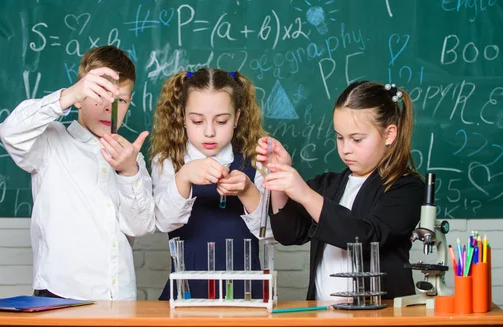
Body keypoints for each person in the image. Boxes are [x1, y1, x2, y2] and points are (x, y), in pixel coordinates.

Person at [0, 45, 155, 300]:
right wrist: (67, 96)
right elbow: (10, 132)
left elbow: (140, 227)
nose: (109, 109)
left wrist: (129, 173)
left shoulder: (131, 157)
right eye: (99, 95)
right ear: (81, 94)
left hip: (119, 299)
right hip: (60, 297)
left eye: (120, 101)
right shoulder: (50, 142)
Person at [256, 81, 424, 300]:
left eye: (356, 139)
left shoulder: (407, 188)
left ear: (389, 134)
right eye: (339, 137)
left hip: (379, 317)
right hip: (323, 315)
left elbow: (364, 238)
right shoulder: (328, 184)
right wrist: (279, 175)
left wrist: (305, 194)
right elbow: (289, 234)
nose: (346, 149)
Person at [149, 68, 271, 300]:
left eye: (222, 121)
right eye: (197, 120)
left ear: (237, 118)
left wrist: (247, 191)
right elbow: (164, 223)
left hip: (246, 293)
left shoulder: (256, 160)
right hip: (187, 293)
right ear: (182, 118)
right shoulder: (167, 161)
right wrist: (183, 177)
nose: (209, 132)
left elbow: (271, 234)